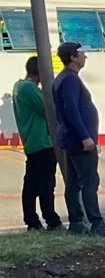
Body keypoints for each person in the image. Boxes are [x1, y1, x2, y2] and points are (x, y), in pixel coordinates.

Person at [51, 41, 105, 237]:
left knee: (74, 182)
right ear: (73, 57)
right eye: (82, 54)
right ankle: (96, 223)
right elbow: (71, 110)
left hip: (71, 138)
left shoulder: (63, 78)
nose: (85, 57)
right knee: (90, 181)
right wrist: (85, 137)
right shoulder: (70, 79)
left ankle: (77, 223)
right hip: (79, 140)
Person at [11, 56, 62, 231]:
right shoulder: (28, 88)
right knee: (46, 184)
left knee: (32, 184)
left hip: (33, 142)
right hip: (42, 142)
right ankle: (51, 219)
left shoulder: (19, 87)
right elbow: (47, 109)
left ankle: (32, 220)